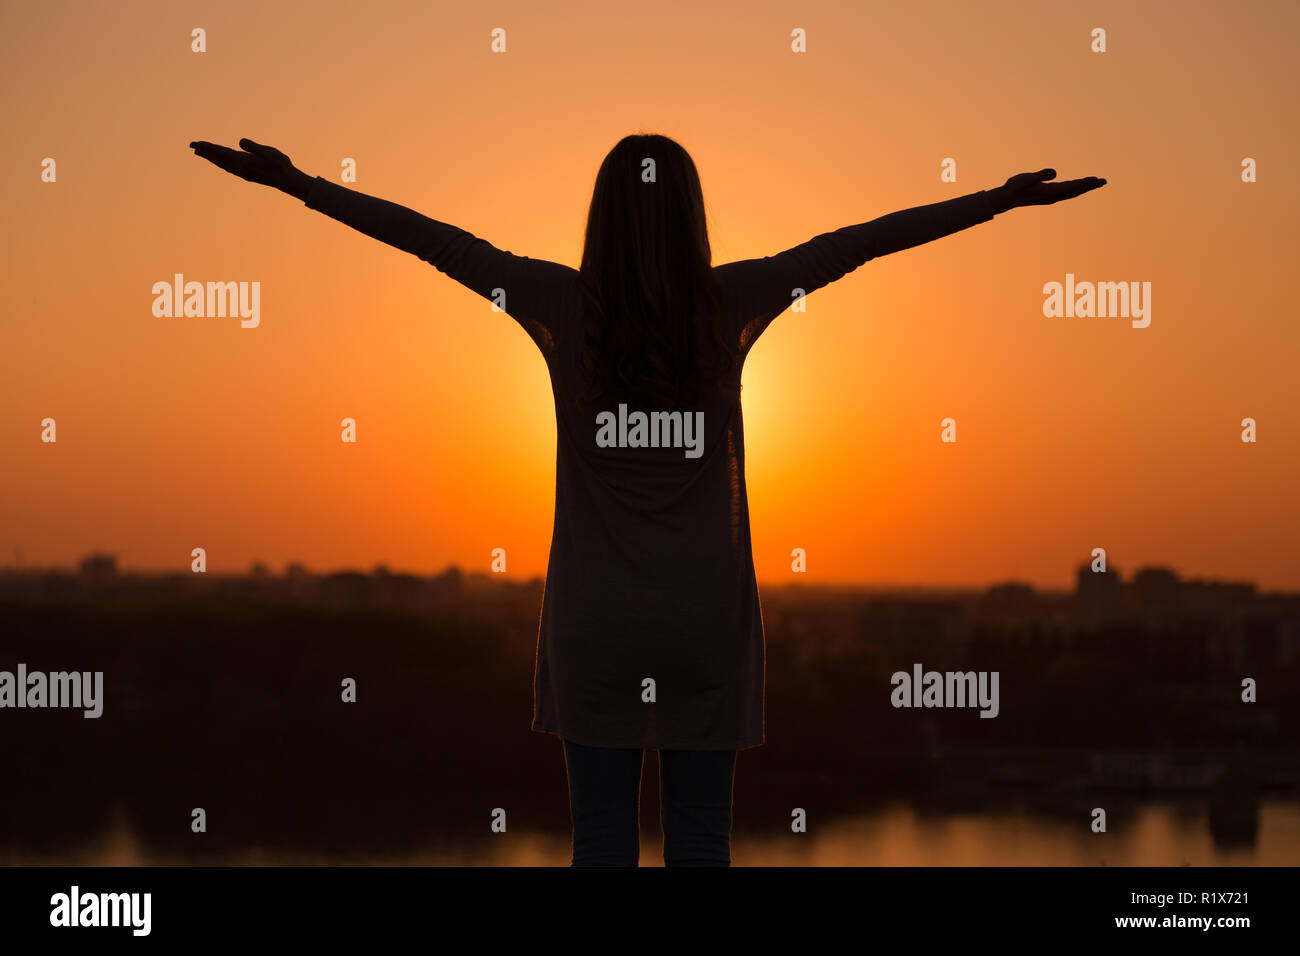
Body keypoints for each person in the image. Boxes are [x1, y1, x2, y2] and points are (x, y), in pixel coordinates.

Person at [190, 133, 1105, 865]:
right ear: (691, 219)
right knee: (701, 842)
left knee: (600, 845)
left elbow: (432, 241)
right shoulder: (727, 305)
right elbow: (855, 245)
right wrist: (996, 201)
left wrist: (302, 184)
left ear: (601, 219)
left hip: (596, 624)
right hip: (703, 625)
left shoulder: (560, 305)